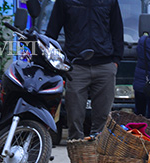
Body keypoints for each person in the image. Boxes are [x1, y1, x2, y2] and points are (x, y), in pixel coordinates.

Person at [46, 0, 123, 140]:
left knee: (103, 117)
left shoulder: (110, 1)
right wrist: (52, 59)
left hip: (105, 65)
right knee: (74, 116)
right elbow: (52, 31)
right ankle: (78, 154)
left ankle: (96, 153)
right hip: (76, 66)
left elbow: (117, 29)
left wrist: (116, 60)